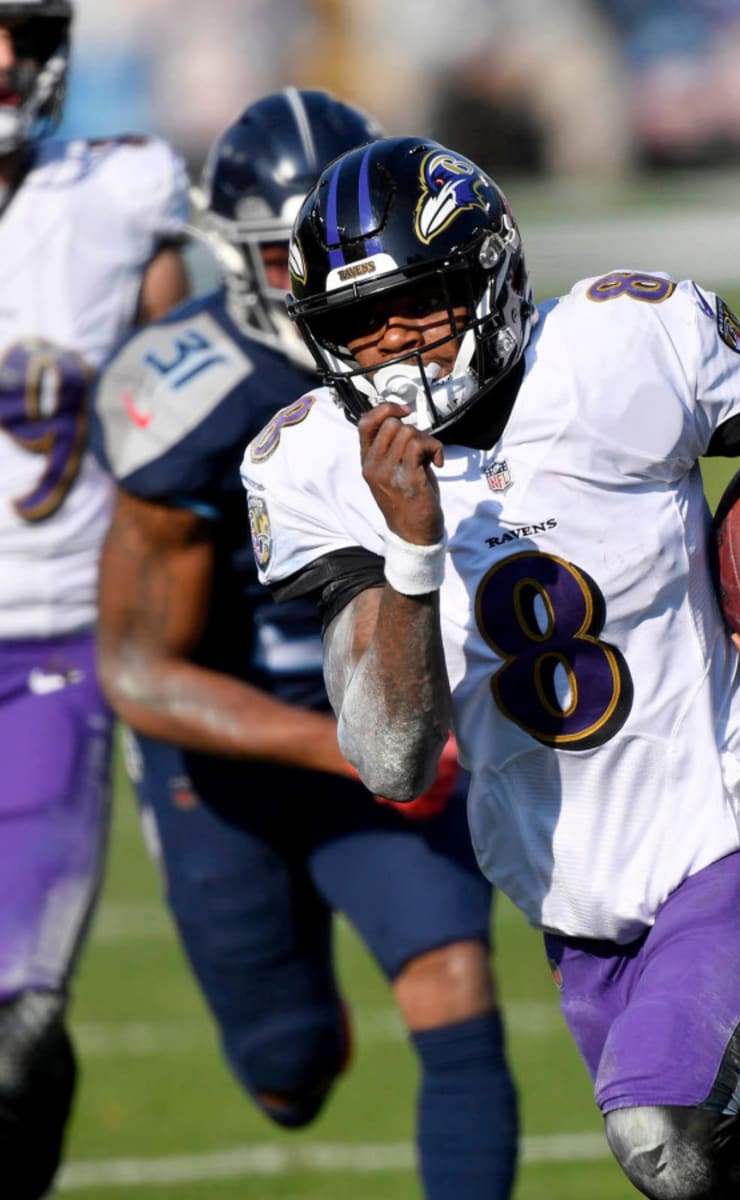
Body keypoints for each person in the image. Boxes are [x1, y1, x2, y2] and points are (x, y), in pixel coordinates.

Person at [239, 134, 740, 1199]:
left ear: (492, 275)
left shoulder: (621, 347)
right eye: (359, 326)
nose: (395, 349)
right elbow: (389, 759)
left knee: (667, 1134)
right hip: (582, 922)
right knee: (728, 1173)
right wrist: (412, 556)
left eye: (419, 305)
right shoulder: (315, 463)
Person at [91, 94, 518, 1200]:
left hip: (393, 712)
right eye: (289, 254)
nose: (326, 282)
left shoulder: (455, 353)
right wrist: (345, 747)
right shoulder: (187, 395)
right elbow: (139, 671)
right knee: (288, 1073)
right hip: (227, 758)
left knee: (454, 982)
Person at [0, 3, 189, 1196]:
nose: (3, 62)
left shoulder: (116, 198)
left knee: (17, 1015)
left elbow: (191, 401)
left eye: (13, 32)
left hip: (48, 641)